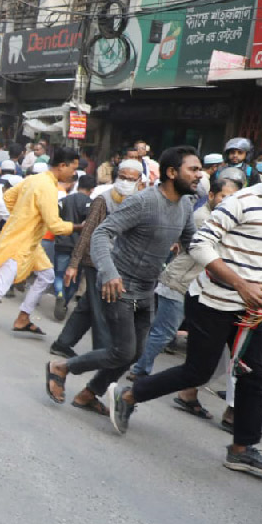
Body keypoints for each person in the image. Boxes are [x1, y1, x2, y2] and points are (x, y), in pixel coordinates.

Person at [111, 145, 262, 476]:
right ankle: (129, 395)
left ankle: (242, 449)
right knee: (198, 372)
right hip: (212, 302)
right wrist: (241, 284)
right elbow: (199, 244)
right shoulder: (240, 202)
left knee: (255, 375)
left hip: (253, 311)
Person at [45, 146, 200, 415]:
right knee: (121, 351)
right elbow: (101, 233)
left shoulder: (186, 205)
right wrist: (109, 272)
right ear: (172, 173)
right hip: (118, 285)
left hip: (147, 288)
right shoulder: (143, 201)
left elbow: (193, 243)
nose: (200, 175)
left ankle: (88, 394)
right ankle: (60, 368)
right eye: (194, 169)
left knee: (137, 352)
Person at [0, 147, 80, 343]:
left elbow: (8, 198)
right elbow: (55, 225)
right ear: (62, 166)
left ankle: (23, 318)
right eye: (73, 168)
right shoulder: (47, 187)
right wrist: (79, 227)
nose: (74, 173)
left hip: (29, 242)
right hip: (18, 244)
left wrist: (23, 216)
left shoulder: (34, 179)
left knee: (47, 275)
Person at [128, 177, 240, 383]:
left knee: (161, 329)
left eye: (233, 198)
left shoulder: (219, 219)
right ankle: (139, 369)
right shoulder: (204, 218)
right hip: (179, 282)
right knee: (164, 331)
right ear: (212, 195)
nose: (228, 201)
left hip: (191, 284)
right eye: (224, 196)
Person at [51, 160, 145, 358]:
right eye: (123, 177)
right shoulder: (103, 200)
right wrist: (74, 264)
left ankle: (62, 343)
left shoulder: (139, 200)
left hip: (120, 263)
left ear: (139, 181)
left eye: (131, 179)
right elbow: (88, 232)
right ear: (116, 177)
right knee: (102, 308)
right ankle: (102, 353)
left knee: (88, 306)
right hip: (97, 262)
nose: (126, 182)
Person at [52, 174, 95, 321]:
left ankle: (59, 294)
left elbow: (54, 216)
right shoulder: (91, 204)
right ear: (92, 189)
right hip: (79, 247)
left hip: (62, 242)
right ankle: (65, 300)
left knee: (58, 274)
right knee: (74, 278)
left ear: (78, 184)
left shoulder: (65, 200)